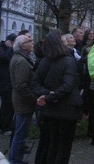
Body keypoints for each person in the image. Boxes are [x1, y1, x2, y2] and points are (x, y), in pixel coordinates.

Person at [32, 31, 82, 164]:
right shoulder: (68, 61)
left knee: (53, 144)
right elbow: (68, 85)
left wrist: (47, 95)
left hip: (51, 109)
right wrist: (50, 96)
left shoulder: (45, 61)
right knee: (63, 146)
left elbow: (35, 83)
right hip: (66, 109)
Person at [9, 35, 37, 164]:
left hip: (22, 100)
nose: (32, 43)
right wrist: (33, 98)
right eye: (29, 41)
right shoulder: (21, 61)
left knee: (20, 133)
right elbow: (21, 85)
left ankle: (16, 159)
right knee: (20, 134)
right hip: (23, 101)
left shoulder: (22, 58)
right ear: (22, 45)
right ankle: (14, 160)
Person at [0, 33, 17, 135]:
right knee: (7, 105)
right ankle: (4, 127)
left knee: (7, 106)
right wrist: (10, 48)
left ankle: (2, 125)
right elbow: (7, 58)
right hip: (4, 82)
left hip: (7, 82)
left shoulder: (2, 49)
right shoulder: (0, 50)